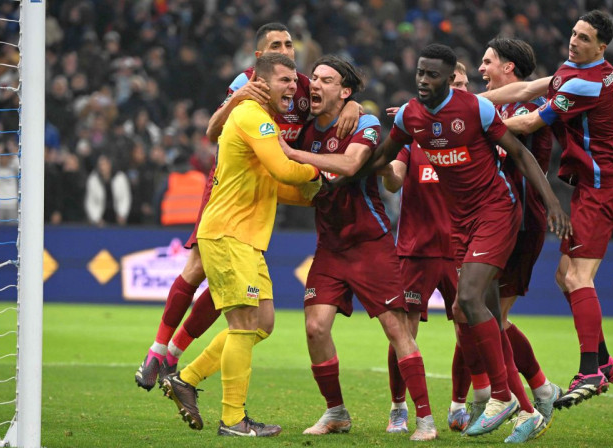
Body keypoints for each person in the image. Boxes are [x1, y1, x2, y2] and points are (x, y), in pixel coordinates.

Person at [134, 22, 361, 391]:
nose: (287, 49)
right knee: (197, 270)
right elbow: (211, 133)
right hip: (235, 181)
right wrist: (237, 101)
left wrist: (351, 103)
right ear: (259, 58)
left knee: (230, 286)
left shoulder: (302, 86)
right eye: (277, 44)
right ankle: (160, 352)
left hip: (267, 183)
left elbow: (334, 95)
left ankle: (174, 353)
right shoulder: (246, 84)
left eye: (289, 43)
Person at [364, 43, 569, 443]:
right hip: (460, 224)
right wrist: (345, 168)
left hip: (496, 209)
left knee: (470, 302)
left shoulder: (475, 109)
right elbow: (382, 157)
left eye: (433, 75)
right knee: (481, 310)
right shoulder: (410, 116)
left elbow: (521, 156)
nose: (424, 80)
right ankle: (529, 406)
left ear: (454, 83)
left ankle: (500, 396)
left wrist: (552, 200)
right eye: (420, 73)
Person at [162, 53, 322, 437]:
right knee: (243, 323)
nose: (292, 88)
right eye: (284, 80)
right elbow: (285, 169)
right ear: (262, 83)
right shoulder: (252, 115)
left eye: (292, 81)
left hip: (246, 239)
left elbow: (277, 185)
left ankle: (185, 378)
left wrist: (316, 190)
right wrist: (323, 167)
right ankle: (233, 420)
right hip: (228, 235)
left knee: (262, 323)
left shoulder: (261, 121)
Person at [280, 55, 437, 441]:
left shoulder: (364, 122)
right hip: (330, 246)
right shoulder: (302, 124)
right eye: (313, 78)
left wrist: (296, 155)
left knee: (396, 329)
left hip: (371, 243)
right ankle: (336, 413)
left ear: (344, 91)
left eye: (326, 80)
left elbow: (350, 167)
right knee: (315, 327)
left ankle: (425, 420)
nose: (314, 84)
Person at [487, 10, 613, 409]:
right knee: (564, 275)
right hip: (591, 187)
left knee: (580, 277)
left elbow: (531, 121)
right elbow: (522, 91)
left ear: (601, 47)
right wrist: (465, 102)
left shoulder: (586, 83)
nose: (574, 41)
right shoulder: (582, 70)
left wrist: (475, 120)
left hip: (603, 188)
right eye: (574, 33)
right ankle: (604, 359)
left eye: (585, 38)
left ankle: (589, 369)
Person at [378, 61, 479, 435]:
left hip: (463, 249)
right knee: (402, 332)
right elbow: (394, 181)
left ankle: (457, 406)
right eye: (457, 83)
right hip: (416, 249)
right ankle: (398, 408)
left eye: (468, 84)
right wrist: (384, 166)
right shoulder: (415, 132)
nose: (463, 89)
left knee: (468, 330)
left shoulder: (476, 135)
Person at [477, 37, 562, 425]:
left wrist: (467, 126)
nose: (482, 69)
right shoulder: (500, 103)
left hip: (523, 218)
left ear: (508, 68)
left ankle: (521, 403)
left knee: (490, 317)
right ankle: (537, 391)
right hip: (496, 219)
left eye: (487, 62)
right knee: (488, 315)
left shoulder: (527, 107)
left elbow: (517, 129)